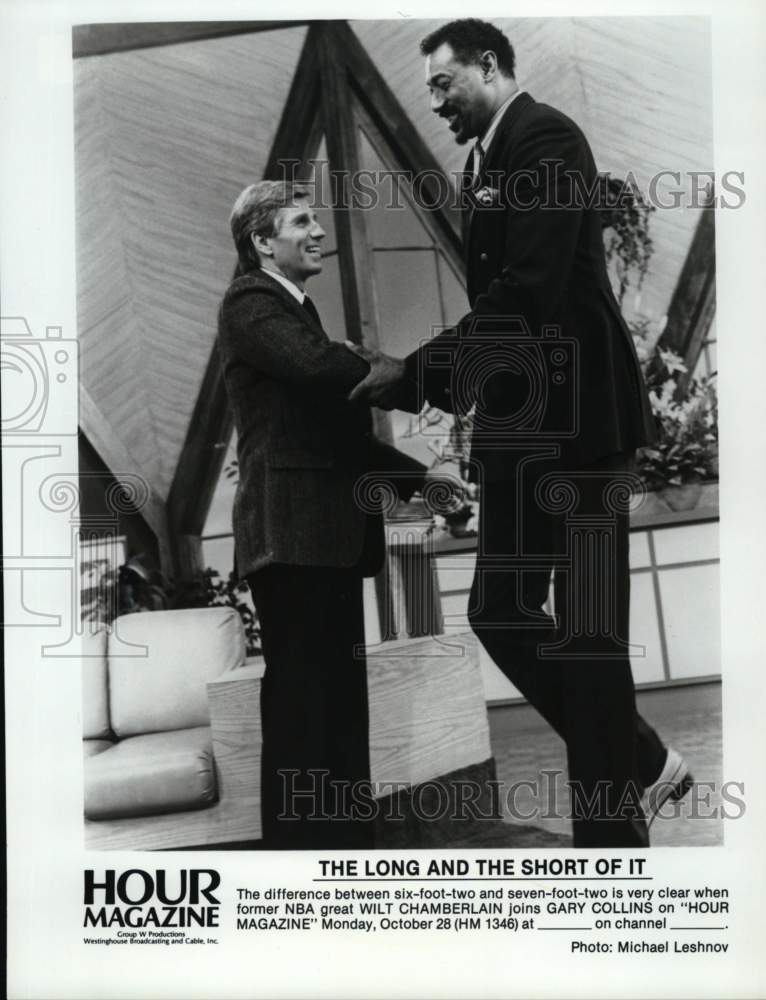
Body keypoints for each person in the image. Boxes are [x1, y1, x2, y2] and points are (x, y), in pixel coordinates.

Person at [347, 19, 691, 846]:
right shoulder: (484, 162)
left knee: (588, 637)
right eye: (427, 89)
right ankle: (642, 761)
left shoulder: (547, 140)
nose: (435, 103)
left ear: (492, 66)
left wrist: (417, 372)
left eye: (444, 83)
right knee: (500, 610)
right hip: (521, 426)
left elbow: (529, 292)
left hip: (583, 424)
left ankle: (612, 849)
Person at [218, 180, 425, 849]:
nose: (317, 231)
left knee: (335, 710)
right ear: (261, 241)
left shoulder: (296, 311)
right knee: (306, 714)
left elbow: (340, 442)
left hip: (322, 541)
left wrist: (429, 482)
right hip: (293, 538)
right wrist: (396, 372)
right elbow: (314, 368)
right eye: (301, 221)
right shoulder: (252, 300)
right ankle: (300, 867)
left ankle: (342, 855)